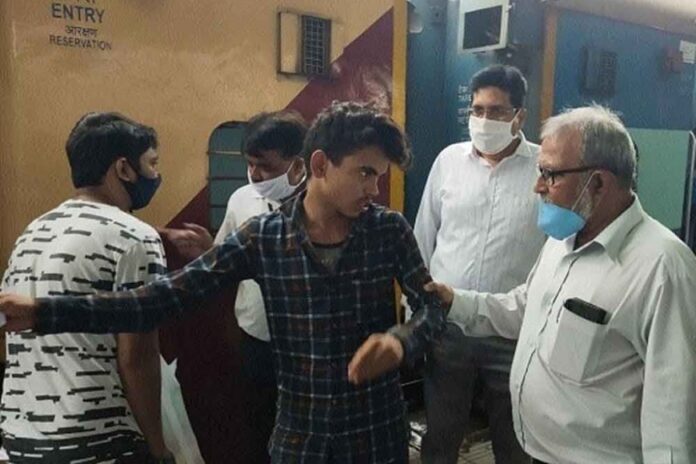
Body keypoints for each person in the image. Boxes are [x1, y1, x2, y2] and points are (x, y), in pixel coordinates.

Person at [0, 101, 447, 463]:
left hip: (377, 437)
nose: (374, 189)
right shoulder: (264, 238)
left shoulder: (388, 231)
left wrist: (401, 341)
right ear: (320, 164)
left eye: (379, 176)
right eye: (365, 172)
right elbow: (163, 299)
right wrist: (45, 312)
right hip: (300, 442)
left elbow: (432, 305)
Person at [424, 105, 696, 463]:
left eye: (550, 175)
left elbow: (673, 415)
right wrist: (455, 301)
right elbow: (526, 308)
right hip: (536, 451)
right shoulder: (564, 238)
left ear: (598, 183)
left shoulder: (662, 268)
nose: (537, 186)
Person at [0, 112, 173, 463]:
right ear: (124, 169)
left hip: (19, 438)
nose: (155, 175)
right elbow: (137, 357)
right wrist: (159, 449)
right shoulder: (135, 237)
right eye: (151, 163)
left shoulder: (33, 231)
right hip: (98, 440)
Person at [160, 110, 308, 462]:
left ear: (298, 165)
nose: (255, 174)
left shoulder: (321, 206)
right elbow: (227, 259)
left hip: (307, 344)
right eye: (250, 164)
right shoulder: (242, 199)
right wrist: (208, 251)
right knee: (258, 424)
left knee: (303, 431)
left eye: (266, 167)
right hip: (256, 337)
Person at [415, 64, 541, 463]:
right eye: (478, 110)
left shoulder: (544, 170)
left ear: (519, 116)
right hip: (448, 328)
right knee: (441, 435)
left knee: (515, 441)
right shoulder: (448, 162)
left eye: (497, 111)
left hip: (512, 333)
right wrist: (417, 306)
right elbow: (423, 235)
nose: (484, 120)